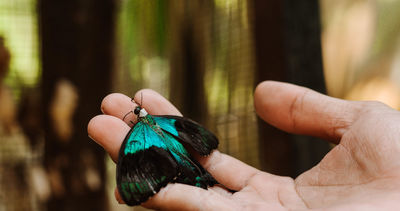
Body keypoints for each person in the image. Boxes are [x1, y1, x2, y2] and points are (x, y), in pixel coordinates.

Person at [88, 81, 400, 210]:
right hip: (185, 155)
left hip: (179, 158)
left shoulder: (140, 136)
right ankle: (193, 175)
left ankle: (191, 175)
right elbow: (203, 141)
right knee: (188, 163)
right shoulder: (165, 122)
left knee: (186, 165)